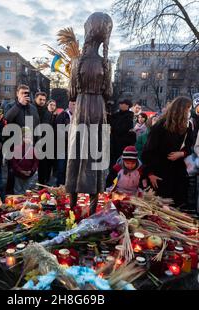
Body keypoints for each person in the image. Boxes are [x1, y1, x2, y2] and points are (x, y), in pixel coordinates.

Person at [65, 12, 113, 214]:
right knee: (96, 154)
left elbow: (72, 93)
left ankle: (72, 206)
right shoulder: (106, 63)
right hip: (99, 108)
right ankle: (93, 207)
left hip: (83, 106)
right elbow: (108, 92)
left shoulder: (77, 62)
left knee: (76, 153)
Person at [141, 96, 193, 208]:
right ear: (180, 110)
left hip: (177, 172)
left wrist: (182, 153)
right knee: (159, 207)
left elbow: (190, 146)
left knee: (176, 205)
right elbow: (147, 152)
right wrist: (149, 173)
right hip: (159, 172)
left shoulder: (187, 126)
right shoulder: (160, 126)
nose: (189, 112)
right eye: (188, 109)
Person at [10, 127, 39, 194]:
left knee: (28, 192)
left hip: (29, 174)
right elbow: (14, 162)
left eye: (29, 137)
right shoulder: (17, 148)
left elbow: (36, 162)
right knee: (18, 192)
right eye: (26, 137)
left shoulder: (33, 149)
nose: (28, 139)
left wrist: (31, 170)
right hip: (18, 175)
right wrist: (21, 170)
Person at [33, 91, 53, 185]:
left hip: (44, 143)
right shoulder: (31, 109)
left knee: (43, 167)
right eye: (40, 99)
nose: (42, 101)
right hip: (31, 142)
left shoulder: (48, 113)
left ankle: (42, 185)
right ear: (35, 99)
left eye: (44, 100)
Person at [110, 99, 134, 169]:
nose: (121, 105)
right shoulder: (116, 115)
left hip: (122, 143)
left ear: (127, 105)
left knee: (119, 163)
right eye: (120, 103)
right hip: (113, 142)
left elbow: (122, 129)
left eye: (123, 103)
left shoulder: (129, 116)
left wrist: (113, 127)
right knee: (112, 163)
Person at [55, 100, 75, 186]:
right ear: (69, 104)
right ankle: (60, 187)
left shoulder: (80, 116)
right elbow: (59, 132)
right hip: (63, 147)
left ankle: (70, 188)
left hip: (74, 149)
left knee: (72, 169)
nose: (74, 106)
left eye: (76, 104)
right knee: (61, 169)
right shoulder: (62, 116)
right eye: (73, 104)